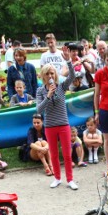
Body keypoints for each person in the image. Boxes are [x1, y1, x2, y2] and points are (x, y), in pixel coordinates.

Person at [36, 46, 78, 190]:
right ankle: (57, 178)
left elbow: (72, 76)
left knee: (67, 154)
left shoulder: (61, 87)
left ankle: (70, 179)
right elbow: (39, 109)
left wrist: (69, 62)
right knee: (54, 154)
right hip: (49, 126)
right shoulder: (40, 91)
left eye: (52, 73)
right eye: (47, 74)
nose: (50, 76)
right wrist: (48, 97)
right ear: (43, 76)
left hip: (63, 124)